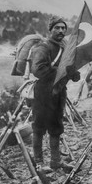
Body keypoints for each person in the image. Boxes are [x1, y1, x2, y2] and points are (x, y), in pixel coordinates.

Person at [30, 15, 80, 172]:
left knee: (56, 127)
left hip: (59, 92)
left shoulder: (65, 48)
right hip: (43, 93)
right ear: (50, 30)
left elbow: (72, 73)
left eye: (63, 28)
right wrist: (61, 70)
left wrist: (73, 72)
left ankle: (56, 161)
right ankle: (38, 163)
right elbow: (38, 70)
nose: (61, 31)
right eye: (57, 28)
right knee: (39, 128)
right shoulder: (42, 47)